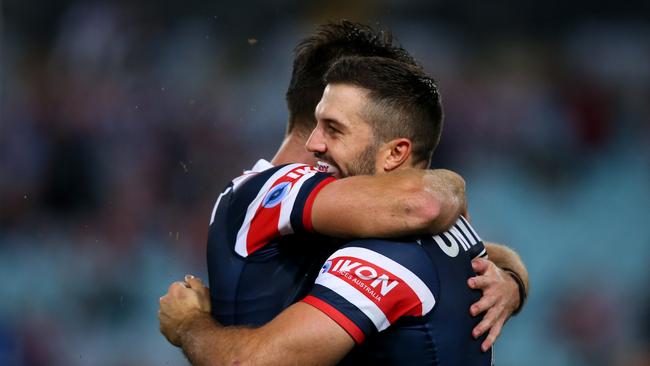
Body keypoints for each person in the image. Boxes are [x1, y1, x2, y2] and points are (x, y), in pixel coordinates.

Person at [159, 22, 528, 365]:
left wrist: (509, 280)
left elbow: (462, 246)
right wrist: (453, 186)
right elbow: (425, 204)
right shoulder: (268, 189)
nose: (317, 142)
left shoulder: (367, 219)